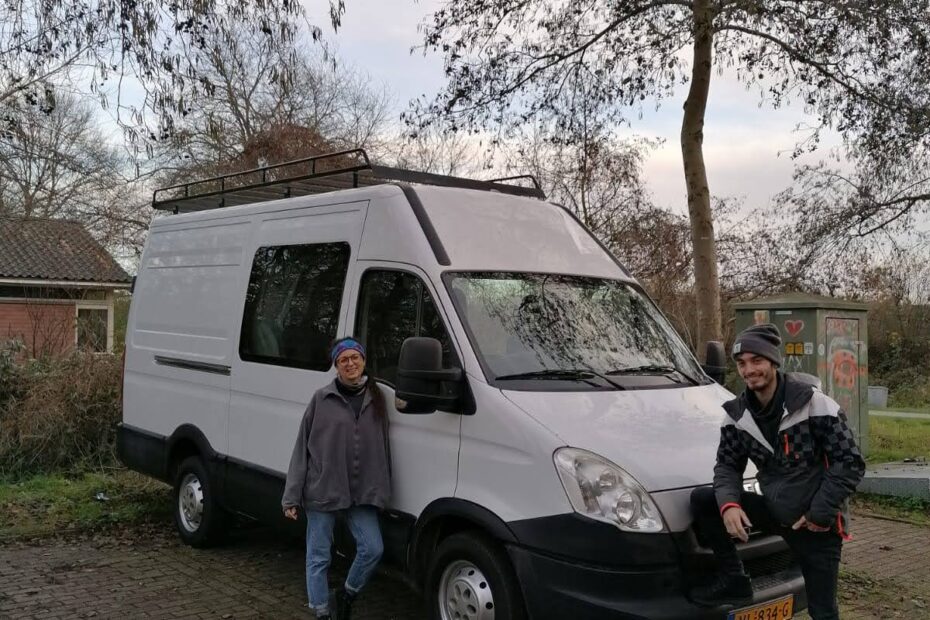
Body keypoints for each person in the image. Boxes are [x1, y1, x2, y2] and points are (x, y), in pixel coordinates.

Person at [690, 324, 865, 620]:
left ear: (773, 362)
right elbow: (727, 466)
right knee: (704, 500)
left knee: (823, 611)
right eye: (742, 363)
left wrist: (818, 515)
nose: (749, 370)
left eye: (756, 361)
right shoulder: (737, 416)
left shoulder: (814, 405)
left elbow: (849, 462)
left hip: (816, 526)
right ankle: (734, 579)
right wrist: (729, 504)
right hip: (774, 511)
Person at [282, 338, 392, 620]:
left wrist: (383, 490)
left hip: (361, 492)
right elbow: (301, 448)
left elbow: (384, 450)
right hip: (323, 490)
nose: (350, 363)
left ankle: (346, 594)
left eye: (355, 358)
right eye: (344, 360)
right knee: (318, 557)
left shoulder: (377, 398)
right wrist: (291, 496)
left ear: (364, 361)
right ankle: (321, 612)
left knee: (373, 548)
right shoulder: (321, 399)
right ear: (336, 365)